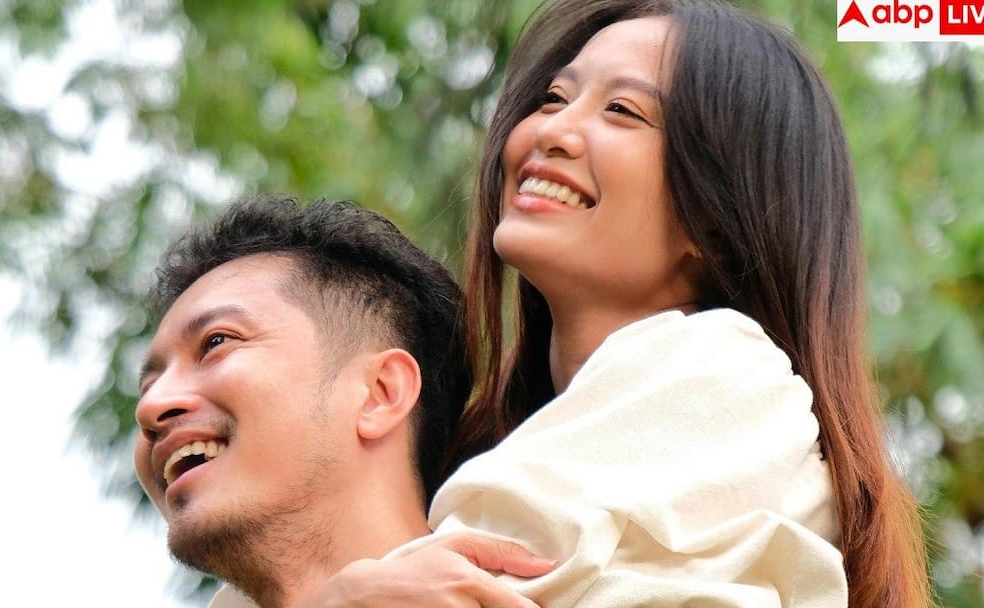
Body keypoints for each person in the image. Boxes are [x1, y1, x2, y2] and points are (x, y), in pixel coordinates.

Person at [306, 0, 930, 606]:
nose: (551, 131)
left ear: (714, 224)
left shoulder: (728, 373)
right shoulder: (501, 451)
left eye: (622, 111)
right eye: (555, 97)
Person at [132, 195, 552, 608]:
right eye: (147, 387)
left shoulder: (571, 580)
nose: (150, 409)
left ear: (380, 393)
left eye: (216, 342)